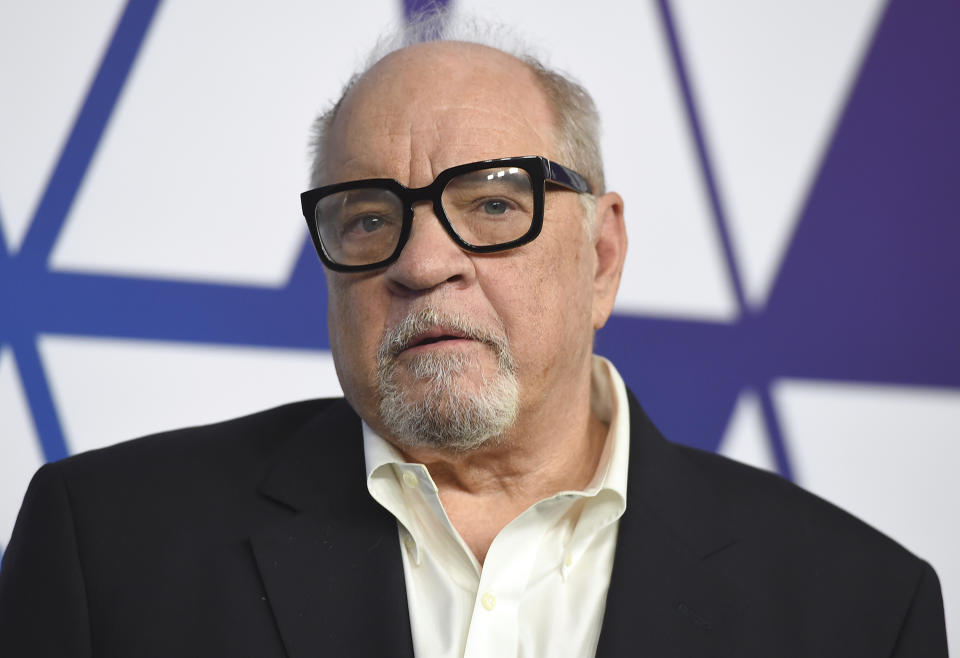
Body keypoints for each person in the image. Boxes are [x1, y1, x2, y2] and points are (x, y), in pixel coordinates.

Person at [0, 16, 948, 658]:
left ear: (603, 254)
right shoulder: (108, 547)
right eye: (368, 218)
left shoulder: (858, 608)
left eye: (493, 204)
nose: (421, 261)